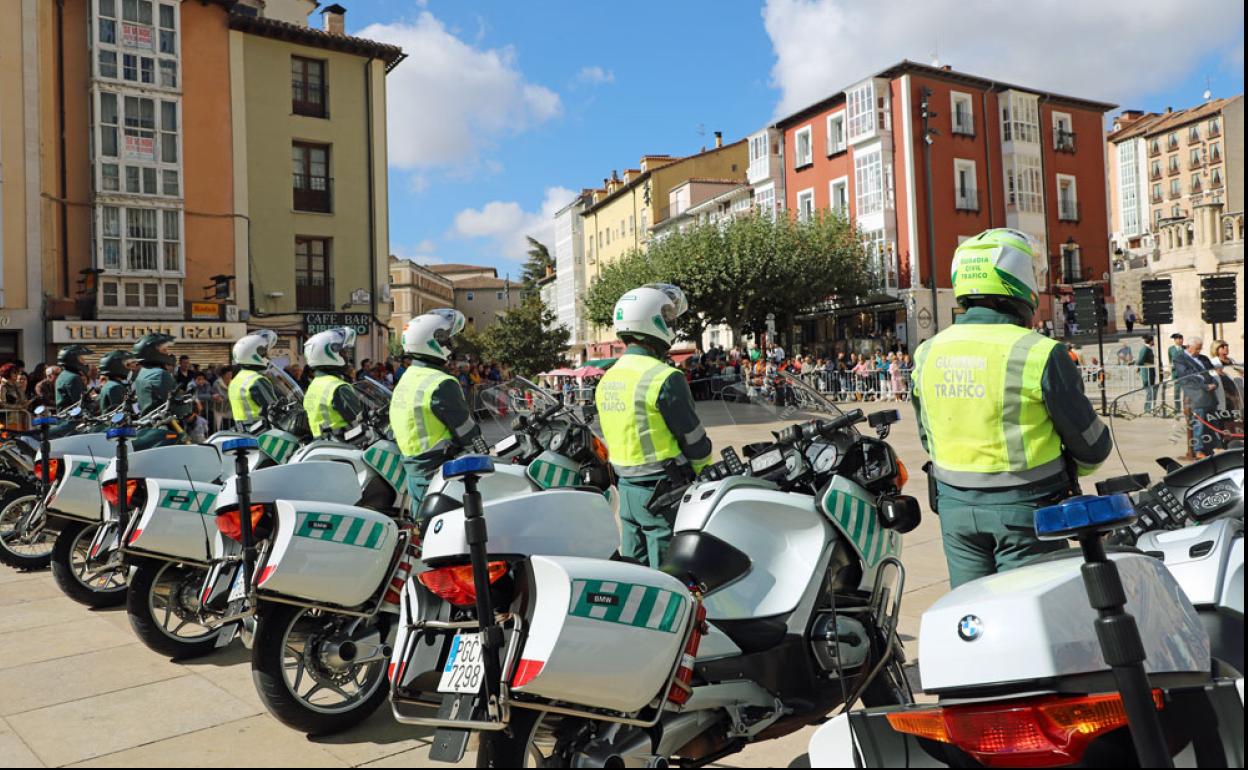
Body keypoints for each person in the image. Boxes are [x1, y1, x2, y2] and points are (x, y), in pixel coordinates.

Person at [911, 229, 1112, 588]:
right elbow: (1090, 445)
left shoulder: (928, 352)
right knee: (1028, 618)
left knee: (971, 612)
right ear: (1020, 283)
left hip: (955, 509)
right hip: (1026, 509)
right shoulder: (1039, 351)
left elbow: (928, 435)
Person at [595, 284, 713, 567]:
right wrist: (705, 471)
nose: (672, 324)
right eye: (668, 317)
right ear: (653, 321)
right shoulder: (664, 377)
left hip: (626, 491)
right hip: (662, 492)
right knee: (669, 575)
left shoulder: (607, 378)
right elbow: (693, 440)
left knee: (635, 573)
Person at [391, 309, 483, 510]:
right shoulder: (441, 382)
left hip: (415, 468)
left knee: (424, 530)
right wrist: (483, 447)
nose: (451, 346)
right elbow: (466, 431)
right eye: (448, 340)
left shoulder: (408, 376)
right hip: (439, 470)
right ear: (435, 341)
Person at [302, 327, 363, 438]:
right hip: (345, 445)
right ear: (328, 353)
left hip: (321, 445)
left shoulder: (313, 385)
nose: (346, 356)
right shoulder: (338, 387)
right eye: (343, 352)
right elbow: (359, 420)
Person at [1173, 335, 1220, 457]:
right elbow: (1188, 376)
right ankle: (1198, 450)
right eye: (1197, 349)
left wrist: (1214, 383)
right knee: (1199, 423)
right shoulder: (1180, 359)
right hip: (1196, 395)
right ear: (1189, 347)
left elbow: (1212, 373)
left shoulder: (1203, 358)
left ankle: (1211, 447)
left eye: (1200, 349)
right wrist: (1205, 386)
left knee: (1212, 421)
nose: (1199, 351)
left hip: (1210, 394)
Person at [229, 330, 280, 426]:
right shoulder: (257, 380)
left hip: (243, 431)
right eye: (265, 354)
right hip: (261, 433)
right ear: (255, 355)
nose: (268, 358)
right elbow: (274, 411)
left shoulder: (237, 379)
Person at [132, 334, 182, 417]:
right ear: (153, 353)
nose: (168, 353)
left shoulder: (142, 373)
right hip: (162, 423)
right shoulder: (160, 374)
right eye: (164, 349)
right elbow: (175, 406)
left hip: (146, 422)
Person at [54, 345, 91, 413]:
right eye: (81, 358)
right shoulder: (73, 378)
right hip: (74, 420)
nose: (84, 361)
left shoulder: (63, 375)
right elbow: (81, 403)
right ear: (73, 360)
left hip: (65, 417)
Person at [1135, 335, 1157, 414]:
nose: (1153, 342)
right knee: (1149, 391)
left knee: (1150, 391)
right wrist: (1135, 363)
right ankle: (1147, 408)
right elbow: (1140, 361)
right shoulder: (1145, 349)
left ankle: (1149, 408)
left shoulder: (1148, 349)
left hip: (1150, 372)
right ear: (1151, 341)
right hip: (1147, 372)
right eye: (1153, 340)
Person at [1168, 333, 1185, 412]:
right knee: (1177, 391)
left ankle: (1186, 408)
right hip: (1176, 373)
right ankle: (1177, 408)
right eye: (1179, 339)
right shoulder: (1171, 349)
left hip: (1185, 373)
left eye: (1181, 339)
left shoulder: (1185, 348)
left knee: (1186, 391)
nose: (1181, 340)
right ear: (1175, 340)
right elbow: (1170, 360)